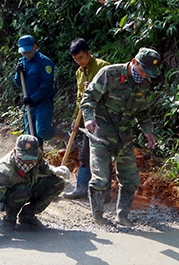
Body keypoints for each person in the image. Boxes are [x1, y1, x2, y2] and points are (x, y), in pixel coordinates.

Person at [80, 47, 161, 227]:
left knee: (131, 178)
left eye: (148, 74)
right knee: (100, 179)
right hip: (101, 133)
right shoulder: (110, 73)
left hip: (124, 136)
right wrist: (89, 119)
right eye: (142, 71)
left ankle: (122, 216)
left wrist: (148, 131)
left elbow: (143, 112)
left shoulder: (144, 84)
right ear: (134, 62)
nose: (144, 76)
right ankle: (98, 216)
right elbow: (88, 98)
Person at [0, 134, 68, 241]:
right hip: (5, 198)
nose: (27, 163)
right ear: (15, 152)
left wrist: (53, 170)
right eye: (23, 160)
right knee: (21, 190)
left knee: (57, 183)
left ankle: (27, 216)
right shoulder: (3, 171)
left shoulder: (35, 154)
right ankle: (9, 219)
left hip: (28, 186)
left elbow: (42, 165)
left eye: (31, 161)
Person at [63, 38, 110, 200]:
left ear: (89, 53)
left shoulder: (104, 67)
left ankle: (105, 193)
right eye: (75, 59)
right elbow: (80, 98)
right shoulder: (78, 72)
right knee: (84, 155)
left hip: (104, 119)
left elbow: (113, 92)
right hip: (87, 120)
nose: (79, 61)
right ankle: (81, 188)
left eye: (81, 57)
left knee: (101, 156)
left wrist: (95, 88)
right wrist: (76, 118)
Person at [13, 35, 69, 148]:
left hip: (43, 102)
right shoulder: (22, 62)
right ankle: (38, 158)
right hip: (29, 104)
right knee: (32, 136)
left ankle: (65, 136)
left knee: (42, 130)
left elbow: (46, 85)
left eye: (28, 51)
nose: (25, 54)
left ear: (35, 47)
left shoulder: (45, 63)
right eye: (23, 52)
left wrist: (33, 98)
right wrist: (18, 74)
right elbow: (18, 83)